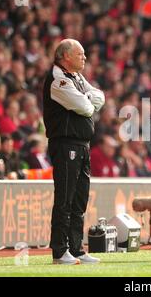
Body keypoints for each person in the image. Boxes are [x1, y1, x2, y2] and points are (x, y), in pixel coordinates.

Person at [43, 39, 105, 265]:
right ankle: (60, 251)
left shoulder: (76, 78)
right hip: (65, 144)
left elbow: (100, 96)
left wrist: (87, 98)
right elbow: (86, 106)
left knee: (79, 199)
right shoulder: (58, 79)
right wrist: (88, 100)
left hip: (82, 144)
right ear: (65, 56)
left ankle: (77, 249)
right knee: (65, 198)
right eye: (80, 54)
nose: (84, 58)